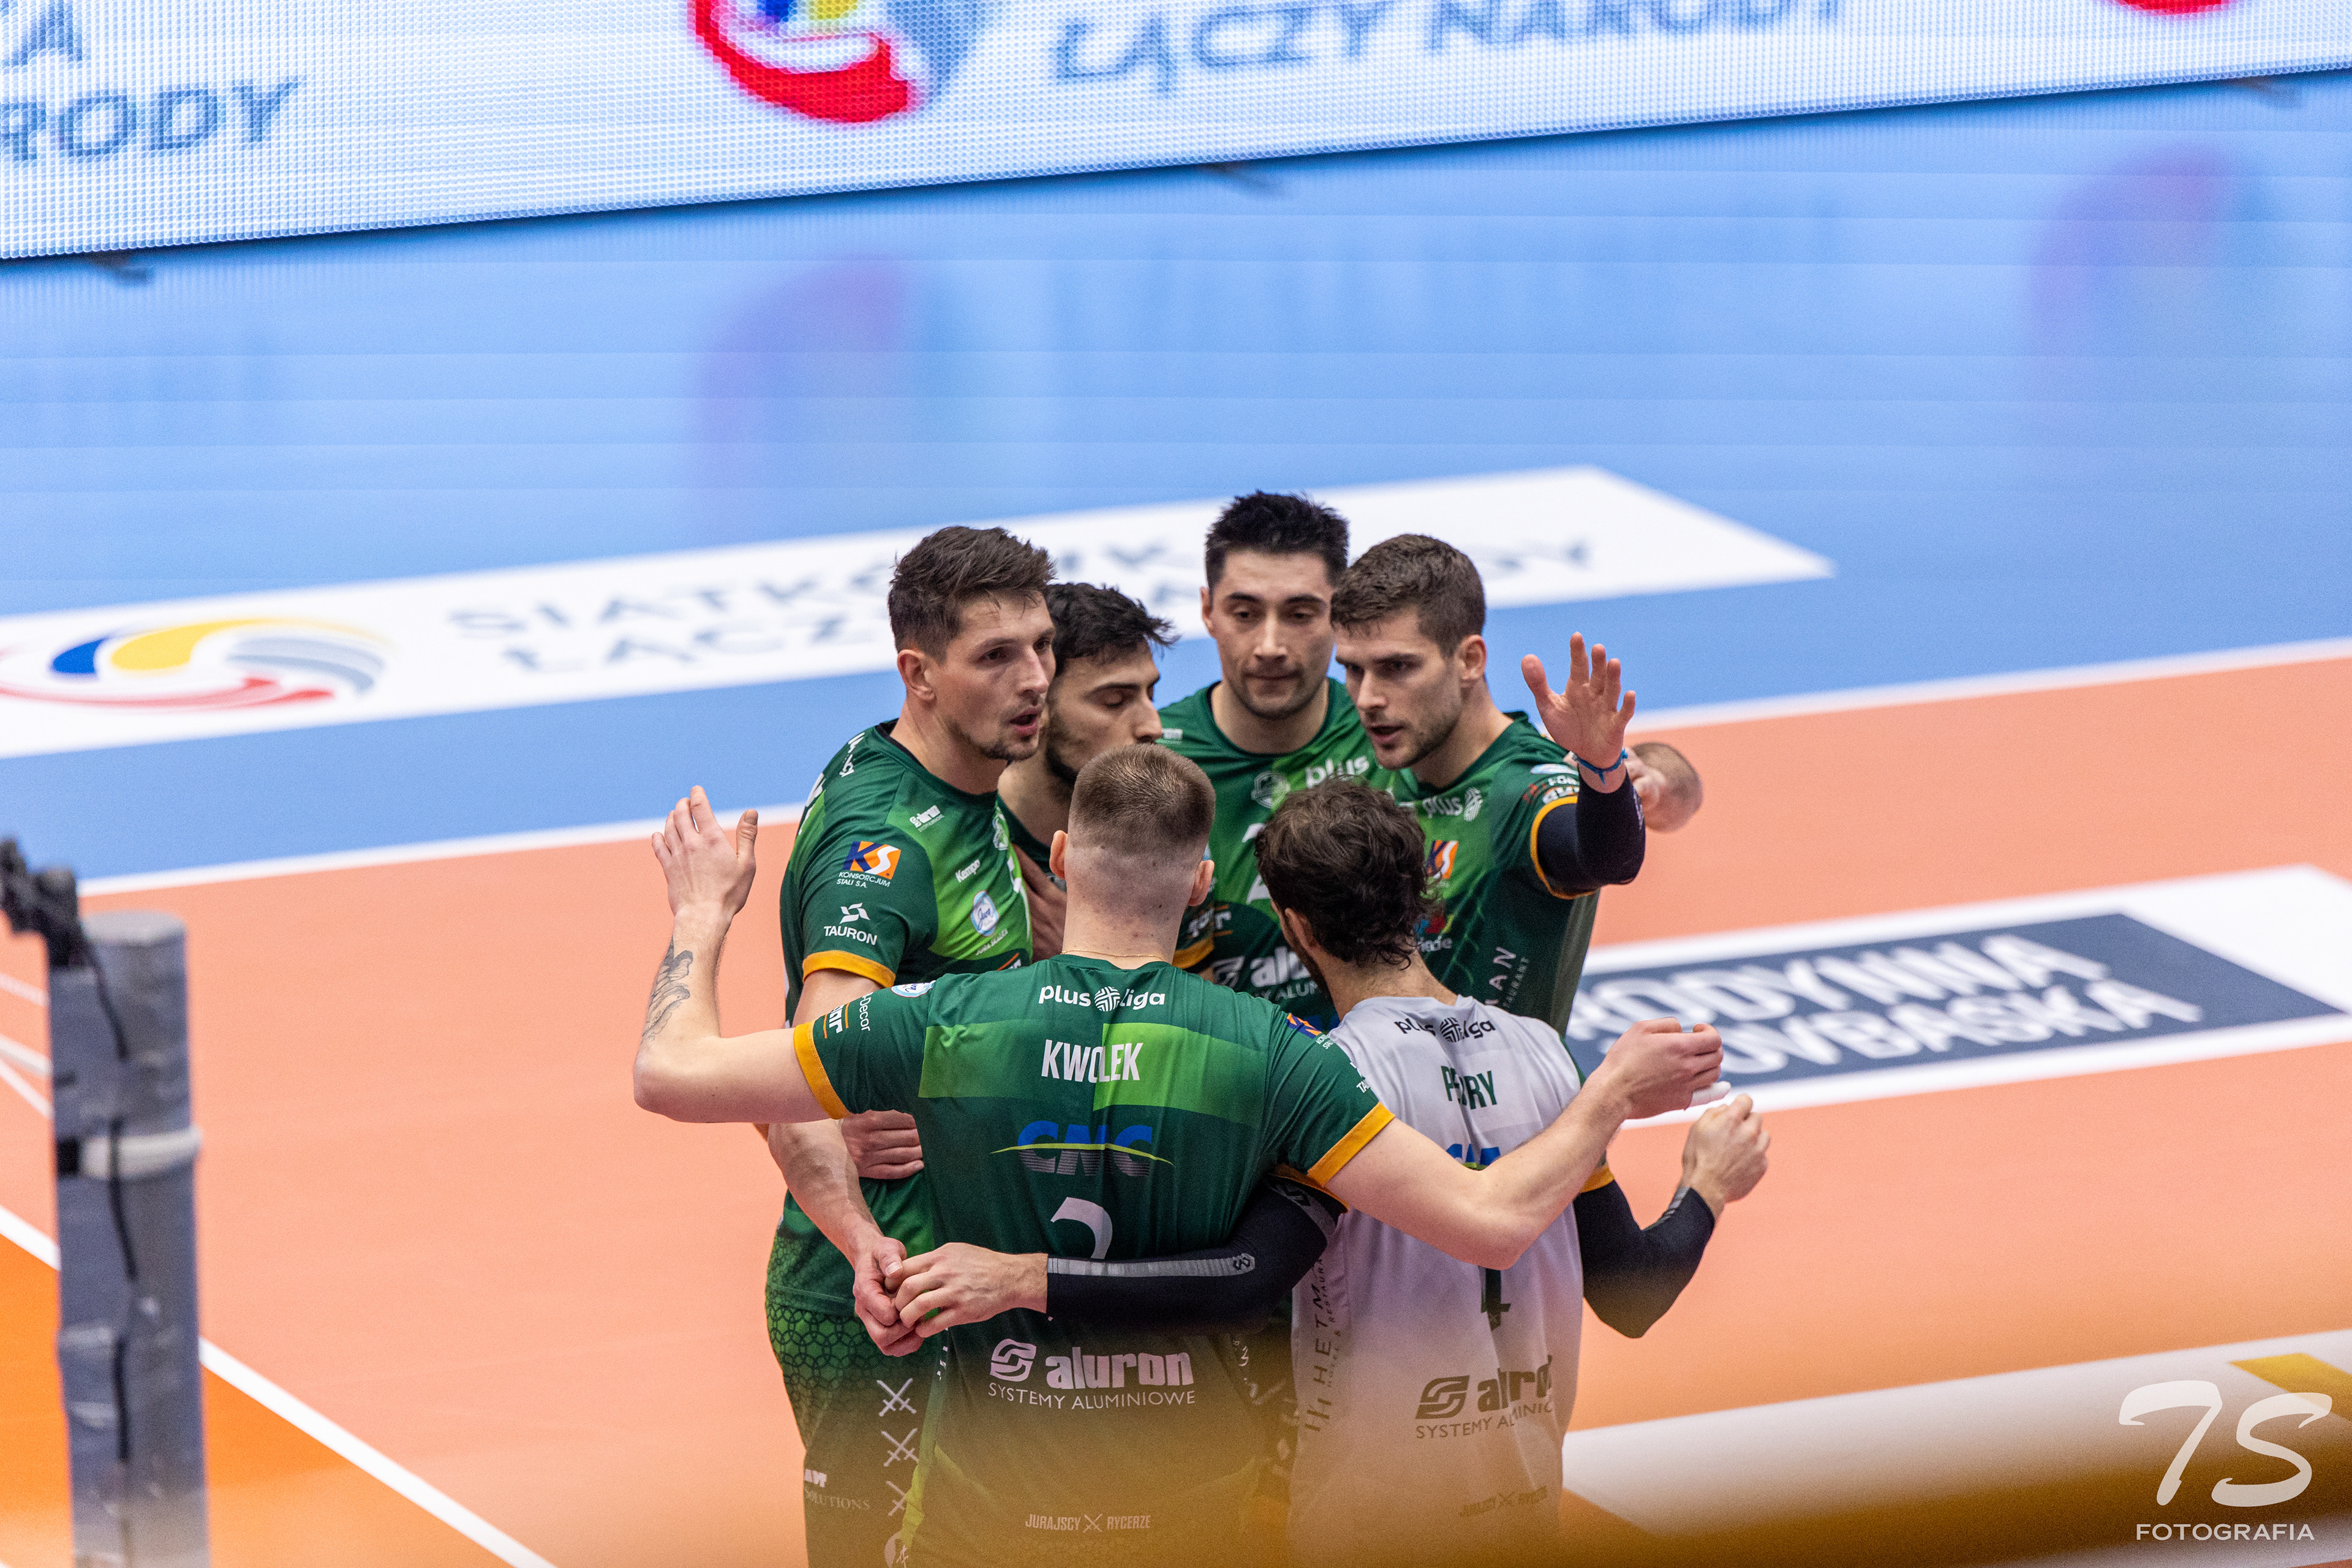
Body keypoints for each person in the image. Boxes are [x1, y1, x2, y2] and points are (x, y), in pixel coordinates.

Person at [632, 751, 1726, 1568]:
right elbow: (1489, 1222)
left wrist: (701, 912)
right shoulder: (1273, 1055)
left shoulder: (944, 1021)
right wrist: (1608, 1098)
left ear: (1065, 860)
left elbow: (671, 1074)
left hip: (984, 1513)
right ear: (1202, 882)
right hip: (1197, 1513)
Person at [1253, 779, 1769, 1567]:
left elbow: (1244, 1287)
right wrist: (1707, 1183)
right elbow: (1632, 1292)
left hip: (1365, 1527)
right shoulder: (1542, 1053)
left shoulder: (1324, 1078)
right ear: (1424, 898)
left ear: (1297, 926)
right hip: (1524, 1512)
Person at [760, 524, 1053, 1568]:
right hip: (889, 1295)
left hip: (960, 1265)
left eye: (1041, 646)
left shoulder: (958, 776)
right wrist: (860, 1246)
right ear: (919, 675)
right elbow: (798, 1064)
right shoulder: (884, 843)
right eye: (997, 657)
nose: (1035, 679)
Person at [1331, 533, 1660, 1033]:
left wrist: (1603, 769)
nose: (1367, 698)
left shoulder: (1520, 786)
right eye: (1354, 670)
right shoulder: (1371, 754)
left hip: (1502, 1083)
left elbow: (1606, 859)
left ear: (1469, 660)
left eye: (1397, 667)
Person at [1158, 491, 1393, 1027]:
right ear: (1207, 611)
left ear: (1341, 613)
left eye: (1300, 614)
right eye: (1244, 613)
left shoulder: (1395, 737)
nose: (1269, 645)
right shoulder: (1153, 760)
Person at [998, 582, 1177, 959]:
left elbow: (1194, 993)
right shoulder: (957, 836)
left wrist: (1086, 956)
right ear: (1036, 706)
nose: (1154, 726)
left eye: (1151, 695)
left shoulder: (1169, 822)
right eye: (1114, 701)